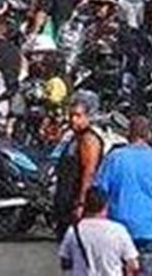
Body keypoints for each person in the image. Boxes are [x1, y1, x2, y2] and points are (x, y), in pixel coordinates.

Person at [93, 116, 152, 275]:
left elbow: (99, 194)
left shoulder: (115, 157)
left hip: (117, 229)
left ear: (128, 133)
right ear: (148, 135)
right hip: (150, 232)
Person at [53, 92, 106, 240]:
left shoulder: (89, 140)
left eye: (78, 116)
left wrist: (81, 203)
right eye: (71, 115)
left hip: (74, 202)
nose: (73, 120)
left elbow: (89, 173)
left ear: (88, 117)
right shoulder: (74, 137)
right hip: (65, 200)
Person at [57, 186, 140, 276]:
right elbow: (133, 264)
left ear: (86, 206)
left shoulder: (74, 230)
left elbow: (65, 260)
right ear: (106, 206)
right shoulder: (119, 230)